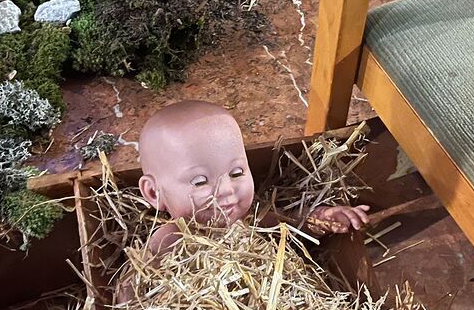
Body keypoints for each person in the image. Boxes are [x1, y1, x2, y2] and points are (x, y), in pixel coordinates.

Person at [137, 100, 370, 261]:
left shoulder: (250, 220)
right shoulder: (169, 241)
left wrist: (323, 218)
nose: (226, 190)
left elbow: (293, 224)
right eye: (200, 181)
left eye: (236, 173)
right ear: (154, 193)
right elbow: (132, 286)